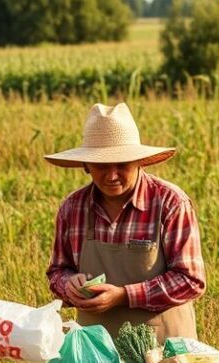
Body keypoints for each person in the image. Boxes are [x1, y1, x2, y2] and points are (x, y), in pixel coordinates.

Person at [45, 102, 205, 343]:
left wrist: (123, 295)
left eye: (121, 165)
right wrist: (69, 285)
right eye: (101, 165)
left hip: (165, 351)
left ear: (139, 161)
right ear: (86, 166)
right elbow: (58, 271)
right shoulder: (73, 208)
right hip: (95, 351)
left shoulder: (170, 203)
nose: (111, 175)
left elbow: (190, 281)